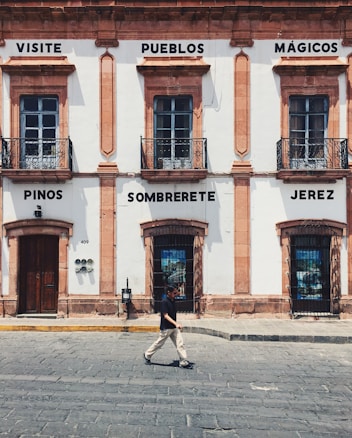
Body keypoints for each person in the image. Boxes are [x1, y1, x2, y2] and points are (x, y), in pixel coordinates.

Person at [143, 284, 192, 368]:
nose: (176, 295)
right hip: (166, 327)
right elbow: (165, 315)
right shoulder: (165, 301)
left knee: (180, 343)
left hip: (173, 327)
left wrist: (175, 325)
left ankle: (183, 361)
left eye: (176, 293)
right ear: (168, 293)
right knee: (159, 343)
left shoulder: (173, 300)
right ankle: (147, 354)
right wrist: (176, 323)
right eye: (174, 293)